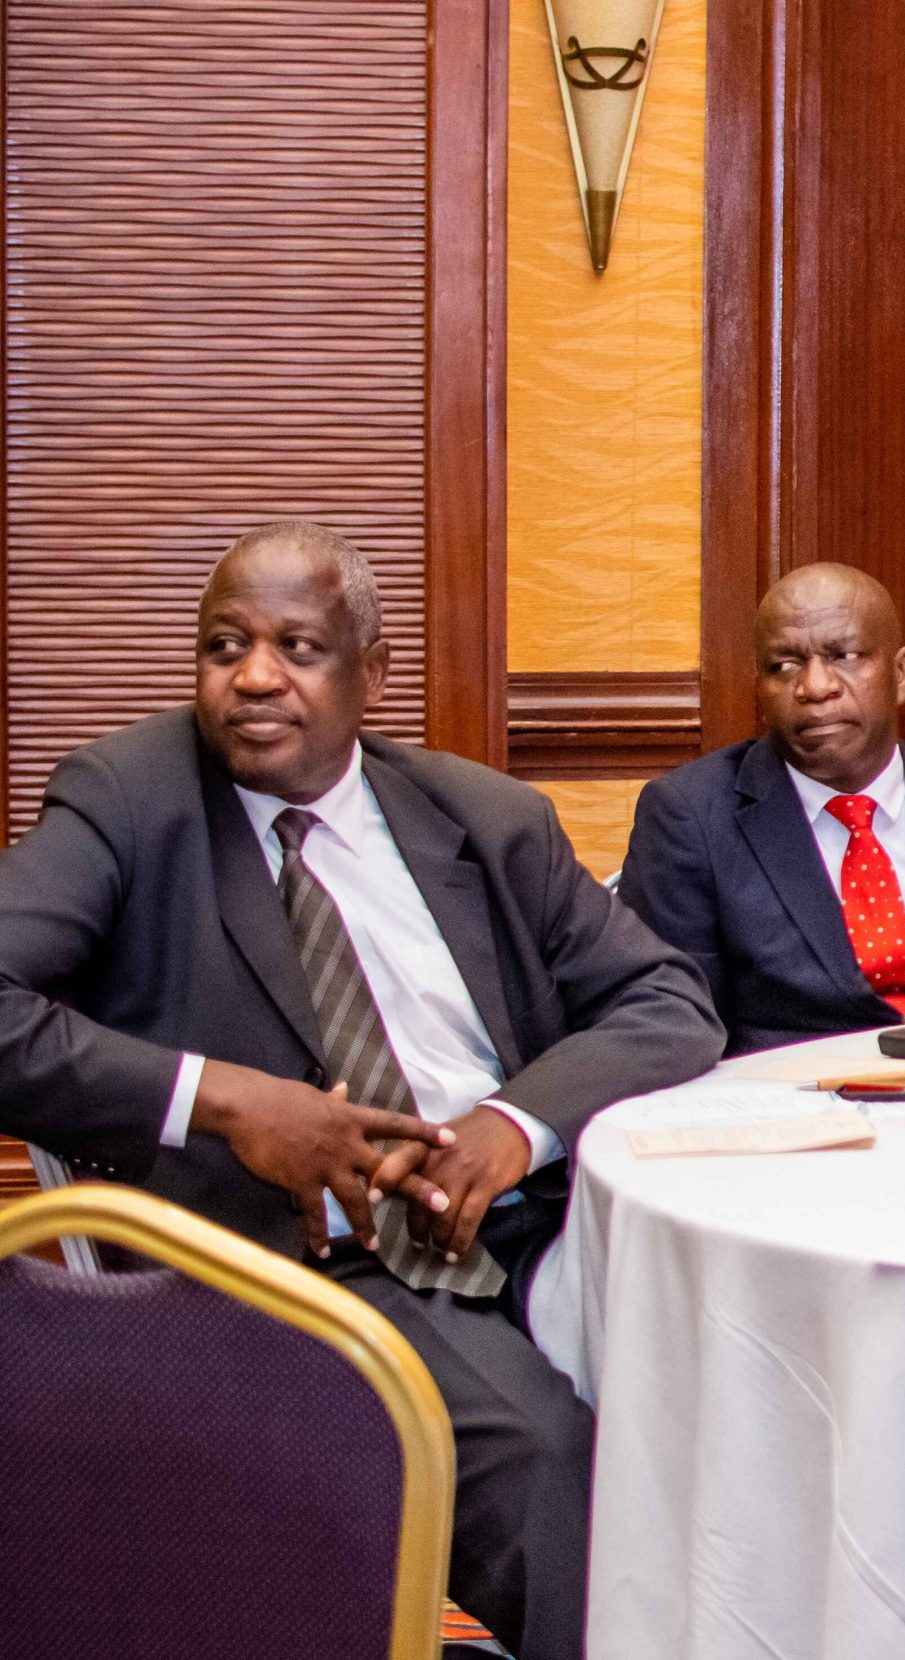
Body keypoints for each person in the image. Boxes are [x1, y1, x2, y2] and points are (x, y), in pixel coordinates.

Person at [0, 521, 724, 1659]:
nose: (252, 676)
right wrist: (231, 1101)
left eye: (297, 646)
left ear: (371, 673)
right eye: (223, 644)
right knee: (559, 1482)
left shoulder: (480, 816)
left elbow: (668, 1002)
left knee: (760, 1416)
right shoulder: (128, 802)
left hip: (546, 1223)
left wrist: (509, 1127)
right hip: (322, 1267)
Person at [620, 562, 905, 1054]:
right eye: (784, 665)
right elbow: (675, 1024)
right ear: (760, 691)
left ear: (901, 675)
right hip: (803, 1107)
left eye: (845, 655)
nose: (815, 687)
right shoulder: (692, 817)